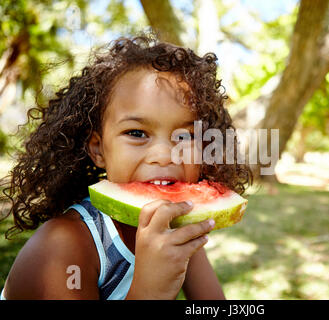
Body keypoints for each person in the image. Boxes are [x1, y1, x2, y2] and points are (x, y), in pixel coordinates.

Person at [0, 33, 252, 300]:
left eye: (185, 136)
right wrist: (148, 290)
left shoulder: (175, 228)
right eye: (136, 133)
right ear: (98, 150)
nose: (164, 156)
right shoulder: (64, 244)